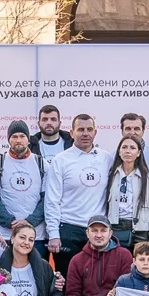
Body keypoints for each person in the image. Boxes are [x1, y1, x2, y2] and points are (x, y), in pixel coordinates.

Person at [43, 113, 106, 266]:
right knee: (67, 282)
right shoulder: (61, 160)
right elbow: (52, 200)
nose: (85, 133)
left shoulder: (107, 159)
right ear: (71, 133)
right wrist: (53, 234)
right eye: (80, 129)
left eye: (89, 129)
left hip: (97, 230)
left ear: (95, 132)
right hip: (68, 230)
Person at [0, 121, 46, 239]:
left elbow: (47, 198)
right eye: (14, 136)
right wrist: (10, 221)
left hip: (35, 235)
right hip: (6, 235)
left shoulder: (41, 164)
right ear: (9, 140)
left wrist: (30, 221)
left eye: (22, 136)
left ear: (28, 139)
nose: (18, 140)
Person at [102, 135, 149, 245]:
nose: (128, 151)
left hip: (140, 229)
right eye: (124, 147)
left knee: (140, 261)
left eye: (132, 148)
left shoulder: (148, 179)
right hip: (115, 227)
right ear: (119, 151)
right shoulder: (111, 176)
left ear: (139, 153)